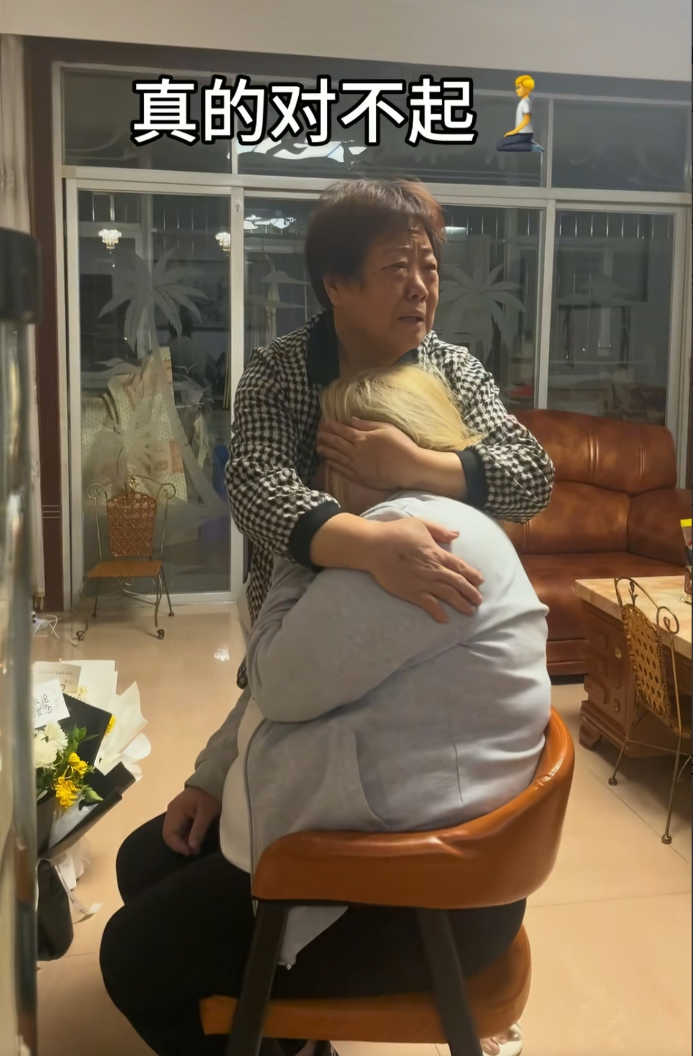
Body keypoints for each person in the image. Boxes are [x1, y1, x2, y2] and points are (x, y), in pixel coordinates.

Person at [100, 365, 551, 1056]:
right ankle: (293, 1039)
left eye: (326, 456)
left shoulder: (414, 540)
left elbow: (276, 681)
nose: (314, 478)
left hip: (416, 895)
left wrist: (304, 541)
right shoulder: (407, 532)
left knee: (131, 958)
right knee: (144, 860)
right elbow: (279, 690)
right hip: (416, 856)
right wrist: (212, 779)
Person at [229, 178, 554, 689]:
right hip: (308, 638)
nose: (420, 287)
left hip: (434, 641)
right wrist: (374, 546)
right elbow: (255, 488)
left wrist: (410, 464)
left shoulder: (454, 368)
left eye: (429, 268)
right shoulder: (281, 370)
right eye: (397, 268)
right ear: (336, 284)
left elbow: (532, 477)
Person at [496, 75, 544, 153]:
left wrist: (514, 131)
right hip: (522, 133)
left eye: (519, 87)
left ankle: (531, 147)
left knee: (500, 145)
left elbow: (526, 119)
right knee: (500, 144)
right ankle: (529, 145)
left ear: (527, 89)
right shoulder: (523, 102)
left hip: (524, 134)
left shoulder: (525, 103)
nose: (517, 90)